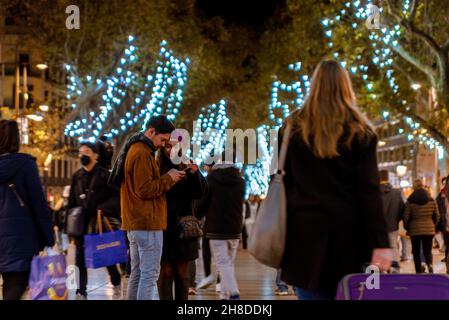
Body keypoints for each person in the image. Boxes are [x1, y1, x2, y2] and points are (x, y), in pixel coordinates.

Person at [279, 60, 391, 300]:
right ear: (345, 87)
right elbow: (369, 192)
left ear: (313, 86)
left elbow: (283, 184)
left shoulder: (291, 128)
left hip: (304, 241)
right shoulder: (360, 131)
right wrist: (381, 243)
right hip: (351, 242)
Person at [111, 115, 185, 300]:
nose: (163, 144)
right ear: (151, 131)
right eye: (163, 139)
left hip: (136, 223)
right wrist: (169, 177)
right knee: (149, 275)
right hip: (147, 223)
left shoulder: (135, 148)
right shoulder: (142, 153)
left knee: (137, 273)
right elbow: (145, 189)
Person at [0, 120, 54, 300]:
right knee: (15, 286)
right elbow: (39, 205)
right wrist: (48, 237)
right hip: (21, 241)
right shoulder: (25, 165)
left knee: (10, 285)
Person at [68, 142, 122, 299]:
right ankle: (81, 291)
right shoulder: (77, 176)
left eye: (86, 152)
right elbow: (71, 203)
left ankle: (116, 281)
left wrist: (103, 208)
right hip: (81, 224)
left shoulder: (105, 175)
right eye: (80, 152)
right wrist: (69, 229)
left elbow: (117, 197)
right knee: (80, 258)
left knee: (106, 256)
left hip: (100, 223)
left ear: (95, 155)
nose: (82, 155)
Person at [156, 140, 206, 300]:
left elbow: (200, 192)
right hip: (163, 227)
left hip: (184, 227)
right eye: (168, 146)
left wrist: (194, 172)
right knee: (165, 272)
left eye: (175, 146)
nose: (171, 150)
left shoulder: (187, 165)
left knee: (182, 273)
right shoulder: (156, 167)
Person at [195, 151, 246, 300]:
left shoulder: (211, 179)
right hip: (235, 228)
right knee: (228, 263)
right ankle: (224, 296)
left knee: (222, 263)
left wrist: (197, 216)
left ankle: (233, 291)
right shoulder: (241, 180)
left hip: (216, 228)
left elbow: (202, 203)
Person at [403, 179, 439, 273]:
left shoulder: (410, 201)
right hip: (429, 229)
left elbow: (406, 216)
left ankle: (418, 271)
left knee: (416, 252)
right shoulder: (431, 199)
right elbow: (437, 215)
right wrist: (433, 225)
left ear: (414, 187)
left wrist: (407, 227)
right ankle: (430, 266)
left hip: (415, 230)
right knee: (428, 251)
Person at [379, 170, 405, 273]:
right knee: (393, 246)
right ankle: (395, 268)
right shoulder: (397, 193)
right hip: (393, 225)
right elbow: (402, 209)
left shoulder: (374, 192)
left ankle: (382, 269)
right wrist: (396, 219)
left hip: (378, 227)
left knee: (380, 247)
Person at [436, 177, 449, 270]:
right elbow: (437, 210)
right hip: (445, 225)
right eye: (444, 183)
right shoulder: (440, 196)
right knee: (447, 244)